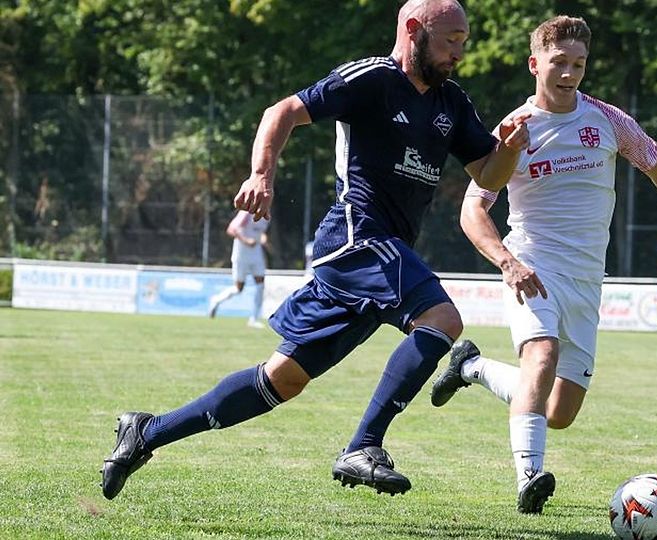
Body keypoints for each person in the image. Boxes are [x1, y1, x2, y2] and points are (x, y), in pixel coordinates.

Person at [100, 0, 530, 501]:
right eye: (449, 40)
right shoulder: (371, 79)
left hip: (378, 257)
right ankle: (363, 446)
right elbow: (281, 111)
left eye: (464, 42)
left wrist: (511, 148)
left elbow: (487, 174)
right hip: (357, 238)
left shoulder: (451, 103)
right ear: (414, 30)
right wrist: (261, 174)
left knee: (280, 381)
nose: (459, 53)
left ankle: (146, 432)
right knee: (443, 320)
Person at [427, 15, 657, 514]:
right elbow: (472, 209)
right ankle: (529, 476)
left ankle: (473, 367)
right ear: (534, 64)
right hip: (534, 265)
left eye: (579, 64)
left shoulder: (609, 122)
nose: (569, 73)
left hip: (588, 281)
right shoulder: (513, 132)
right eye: (558, 63)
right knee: (539, 357)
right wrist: (506, 261)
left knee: (558, 411)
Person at [207, 210, 270, 328]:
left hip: (256, 254)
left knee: (260, 284)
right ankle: (216, 300)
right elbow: (231, 229)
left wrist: (263, 239)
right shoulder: (246, 213)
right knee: (238, 288)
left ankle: (254, 319)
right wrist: (246, 240)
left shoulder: (266, 215)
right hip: (241, 254)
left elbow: (259, 232)